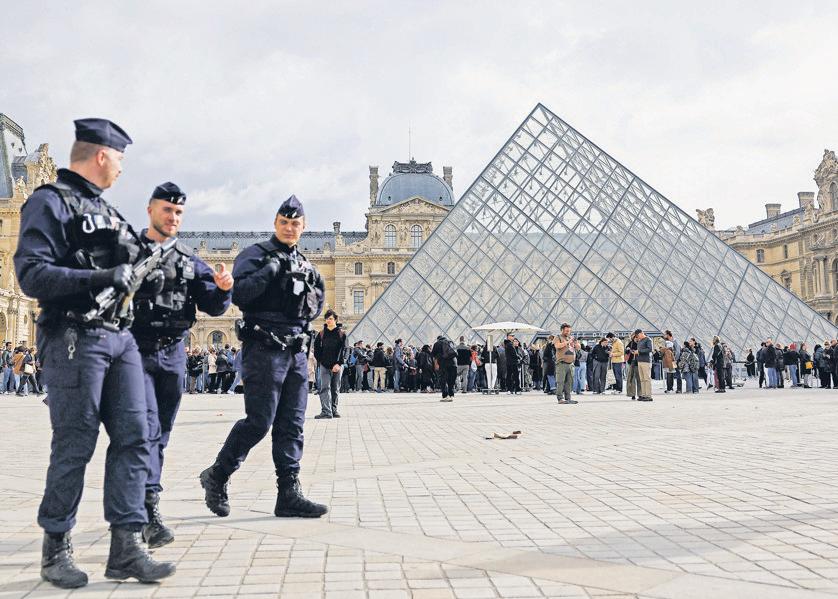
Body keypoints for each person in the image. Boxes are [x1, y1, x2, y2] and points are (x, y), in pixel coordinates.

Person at [14, 118, 174, 587]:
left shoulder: (107, 210)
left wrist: (151, 279)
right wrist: (99, 279)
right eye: (120, 159)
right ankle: (56, 547)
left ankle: (126, 546)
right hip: (73, 335)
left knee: (136, 437)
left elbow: (132, 266)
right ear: (101, 155)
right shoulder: (49, 202)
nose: (122, 168)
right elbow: (31, 275)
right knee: (76, 441)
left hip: (119, 337)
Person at [199, 195, 328, 519]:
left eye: (295, 223)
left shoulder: (307, 266)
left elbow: (315, 307)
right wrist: (269, 272)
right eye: (284, 222)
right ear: (275, 223)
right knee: (259, 421)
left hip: (296, 352)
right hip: (264, 348)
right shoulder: (255, 255)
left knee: (292, 424)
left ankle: (288, 493)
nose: (289, 228)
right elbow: (239, 295)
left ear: (303, 226)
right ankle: (218, 474)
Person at [130, 182, 233, 549]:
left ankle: (145, 505)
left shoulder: (189, 259)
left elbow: (213, 306)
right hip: (135, 350)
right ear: (150, 210)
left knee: (161, 431)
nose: (172, 217)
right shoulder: (128, 252)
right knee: (144, 429)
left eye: (178, 212)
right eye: (166, 210)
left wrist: (223, 288)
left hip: (174, 351)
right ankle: (145, 509)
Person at [313, 309, 346, 418]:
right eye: (327, 319)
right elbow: (316, 349)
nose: (328, 321)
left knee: (335, 389)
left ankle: (333, 410)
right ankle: (326, 411)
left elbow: (344, 350)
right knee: (324, 388)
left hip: (337, 366)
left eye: (330, 318)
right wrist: (321, 361)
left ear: (335, 320)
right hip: (324, 365)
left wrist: (338, 363)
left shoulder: (341, 334)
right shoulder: (321, 334)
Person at [553, 324, 577, 403]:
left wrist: (575, 344)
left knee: (569, 382)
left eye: (569, 331)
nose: (568, 332)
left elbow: (578, 347)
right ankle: (560, 398)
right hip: (561, 363)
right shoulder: (558, 337)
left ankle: (568, 398)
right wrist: (567, 342)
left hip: (571, 364)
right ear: (562, 330)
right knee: (560, 381)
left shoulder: (570, 338)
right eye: (566, 331)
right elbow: (557, 346)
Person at [432, 334, 458, 401]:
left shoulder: (437, 344)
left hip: (443, 364)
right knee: (451, 380)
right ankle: (451, 395)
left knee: (443, 379)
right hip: (453, 363)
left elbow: (434, 355)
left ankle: (445, 396)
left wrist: (436, 364)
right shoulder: (451, 342)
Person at [633, 329, 653, 401]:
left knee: (646, 378)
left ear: (641, 333)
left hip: (646, 361)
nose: (637, 337)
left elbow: (649, 349)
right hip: (640, 361)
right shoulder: (640, 341)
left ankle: (648, 395)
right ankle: (644, 394)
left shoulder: (648, 340)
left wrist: (639, 351)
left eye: (638, 335)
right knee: (642, 379)